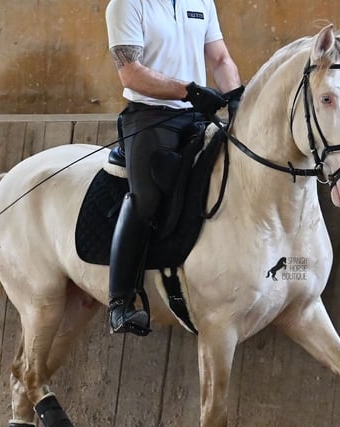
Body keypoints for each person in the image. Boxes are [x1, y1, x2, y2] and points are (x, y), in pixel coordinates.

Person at [104, 0, 243, 336]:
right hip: (152, 116)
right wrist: (189, 90)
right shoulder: (126, 4)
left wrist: (237, 96)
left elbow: (220, 58)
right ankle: (120, 302)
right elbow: (131, 72)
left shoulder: (201, 2)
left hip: (197, 114)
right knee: (147, 197)